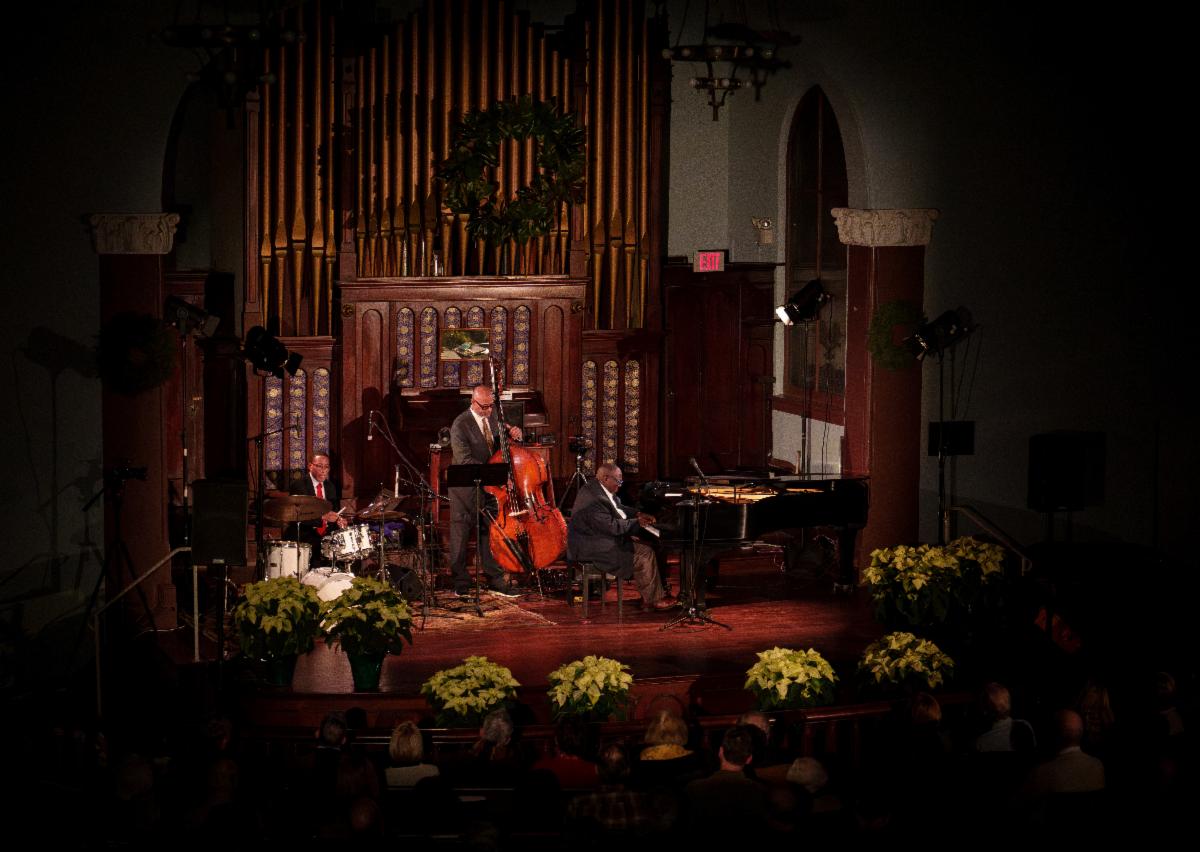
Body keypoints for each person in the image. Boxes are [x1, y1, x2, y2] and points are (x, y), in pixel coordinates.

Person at [567, 462, 676, 611]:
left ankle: (650, 596)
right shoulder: (594, 500)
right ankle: (653, 600)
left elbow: (618, 508)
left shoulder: (597, 489)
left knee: (647, 547)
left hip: (596, 539)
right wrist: (636, 523)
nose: (620, 485)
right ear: (606, 478)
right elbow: (612, 526)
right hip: (592, 547)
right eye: (618, 481)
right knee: (645, 553)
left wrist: (637, 514)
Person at [447, 384, 522, 597]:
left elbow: (502, 441)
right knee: (461, 533)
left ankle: (495, 578)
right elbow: (464, 460)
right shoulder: (460, 424)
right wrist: (495, 475)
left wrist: (514, 432)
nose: (489, 411)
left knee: (489, 532)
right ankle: (460, 581)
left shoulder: (494, 417)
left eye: (491, 407)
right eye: (485, 407)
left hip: (489, 487)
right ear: (473, 402)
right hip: (466, 489)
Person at [286, 453, 348, 552]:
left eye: (326, 467)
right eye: (320, 466)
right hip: (304, 538)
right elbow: (298, 515)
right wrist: (323, 517)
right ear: (310, 466)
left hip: (326, 539)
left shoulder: (331, 487)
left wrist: (339, 520)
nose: (323, 470)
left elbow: (335, 511)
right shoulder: (299, 485)